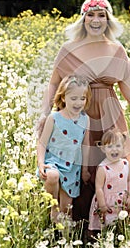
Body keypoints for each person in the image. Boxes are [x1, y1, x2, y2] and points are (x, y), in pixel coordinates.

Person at [37, 0, 130, 222]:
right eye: (91, 15)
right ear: (83, 19)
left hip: (110, 113)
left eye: (101, 15)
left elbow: (129, 88)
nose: (96, 20)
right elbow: (54, 83)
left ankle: (114, 219)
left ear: (108, 20)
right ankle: (77, 220)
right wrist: (44, 113)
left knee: (115, 160)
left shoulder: (117, 49)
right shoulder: (69, 48)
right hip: (80, 114)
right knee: (81, 165)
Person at [36, 75, 91, 222]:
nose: (78, 102)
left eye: (82, 98)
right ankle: (53, 208)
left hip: (72, 167)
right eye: (73, 98)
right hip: (53, 161)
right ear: (64, 97)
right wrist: (41, 163)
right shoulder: (54, 118)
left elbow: (85, 146)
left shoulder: (85, 119)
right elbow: (42, 143)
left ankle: (63, 239)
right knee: (53, 176)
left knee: (67, 211)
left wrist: (85, 169)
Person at [88, 129, 130, 235]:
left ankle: (121, 234)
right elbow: (98, 187)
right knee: (106, 225)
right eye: (110, 147)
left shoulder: (126, 164)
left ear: (123, 147)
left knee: (121, 224)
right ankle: (101, 237)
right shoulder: (103, 168)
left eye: (118, 146)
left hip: (122, 200)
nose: (114, 150)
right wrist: (102, 204)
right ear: (103, 149)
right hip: (107, 201)